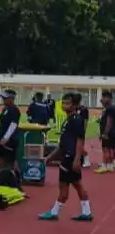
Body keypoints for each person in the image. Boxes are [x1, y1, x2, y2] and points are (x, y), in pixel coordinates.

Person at [39, 93, 93, 221]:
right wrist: (49, 158)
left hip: (70, 158)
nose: (64, 105)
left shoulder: (75, 120)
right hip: (68, 156)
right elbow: (61, 145)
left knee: (66, 186)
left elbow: (80, 140)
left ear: (74, 105)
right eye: (63, 102)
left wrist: (76, 159)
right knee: (76, 184)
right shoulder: (68, 120)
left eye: (67, 103)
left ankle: (54, 212)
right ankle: (86, 212)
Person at [0, 89, 21, 175]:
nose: (3, 100)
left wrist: (5, 138)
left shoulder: (14, 110)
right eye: (3, 98)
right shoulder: (5, 109)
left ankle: (7, 181)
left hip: (10, 140)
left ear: (12, 99)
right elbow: (2, 125)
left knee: (8, 164)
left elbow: (13, 125)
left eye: (5, 98)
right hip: (2, 139)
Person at [72, 93, 92, 169]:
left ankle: (87, 159)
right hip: (73, 130)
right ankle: (78, 160)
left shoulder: (84, 109)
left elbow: (85, 121)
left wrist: (83, 131)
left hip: (80, 131)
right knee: (73, 146)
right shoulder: (73, 109)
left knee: (80, 147)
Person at [98, 90, 115, 173]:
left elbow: (109, 122)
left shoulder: (109, 109)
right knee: (110, 149)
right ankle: (110, 165)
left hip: (108, 133)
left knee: (106, 150)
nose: (102, 99)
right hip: (111, 132)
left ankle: (104, 165)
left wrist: (104, 133)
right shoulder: (109, 108)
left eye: (104, 97)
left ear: (109, 98)